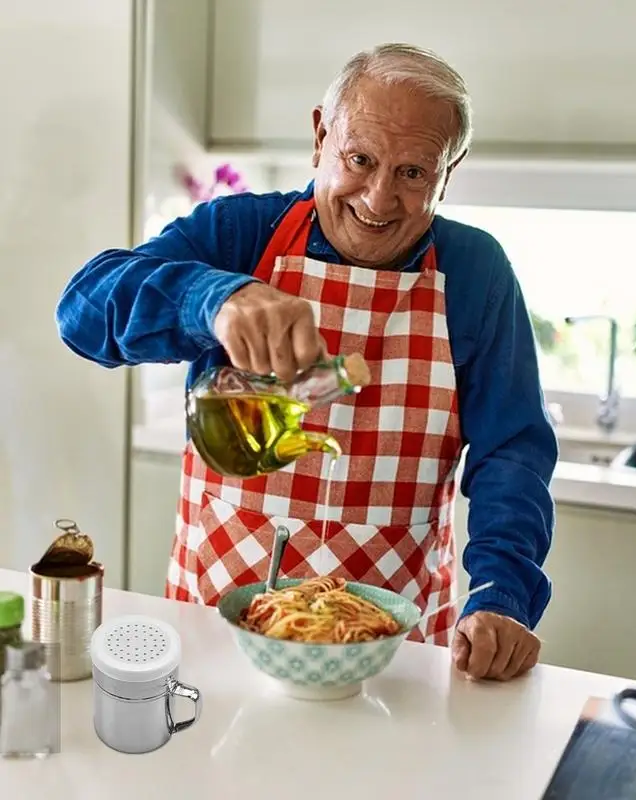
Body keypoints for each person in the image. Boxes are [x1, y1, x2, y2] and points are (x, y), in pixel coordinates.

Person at [55, 43, 558, 682]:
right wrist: (213, 300)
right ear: (320, 135)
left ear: (447, 173)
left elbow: (512, 452)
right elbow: (81, 311)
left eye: (412, 173)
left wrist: (502, 595)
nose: (378, 199)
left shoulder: (475, 272)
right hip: (216, 627)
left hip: (391, 652)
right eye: (360, 159)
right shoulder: (241, 236)